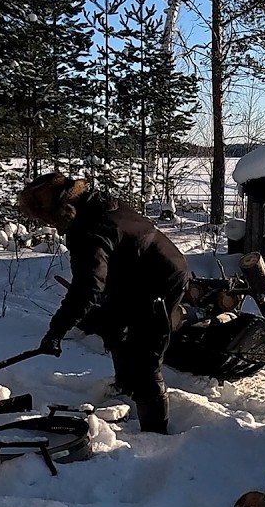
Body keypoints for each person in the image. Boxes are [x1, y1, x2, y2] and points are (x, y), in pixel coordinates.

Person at [18, 172, 188, 435]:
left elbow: (88, 286)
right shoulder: (93, 202)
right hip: (135, 273)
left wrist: (56, 331)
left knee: (146, 355)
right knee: (112, 324)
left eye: (46, 218)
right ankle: (124, 386)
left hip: (159, 278)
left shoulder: (88, 229)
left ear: (59, 211)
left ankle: (156, 434)